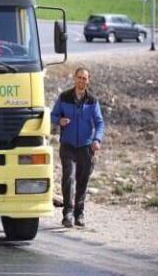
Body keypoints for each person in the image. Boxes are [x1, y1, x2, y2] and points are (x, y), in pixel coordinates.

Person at [51, 67, 105, 228]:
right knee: (68, 178)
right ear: (75, 78)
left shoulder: (92, 101)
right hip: (67, 145)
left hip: (86, 147)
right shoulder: (64, 97)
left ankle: (79, 214)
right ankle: (67, 214)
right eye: (79, 77)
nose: (81, 80)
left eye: (84, 78)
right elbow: (53, 115)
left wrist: (97, 140)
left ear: (88, 81)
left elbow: (99, 123)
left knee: (82, 180)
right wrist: (59, 121)